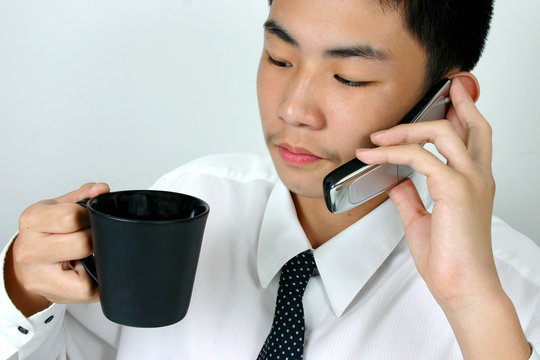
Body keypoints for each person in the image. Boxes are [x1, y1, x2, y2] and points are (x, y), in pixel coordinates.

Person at [1, 0, 539, 359]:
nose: (293, 109)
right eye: (279, 59)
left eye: (349, 77)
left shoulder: (515, 298)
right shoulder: (195, 199)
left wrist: (471, 305)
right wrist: (20, 293)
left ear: (449, 101)